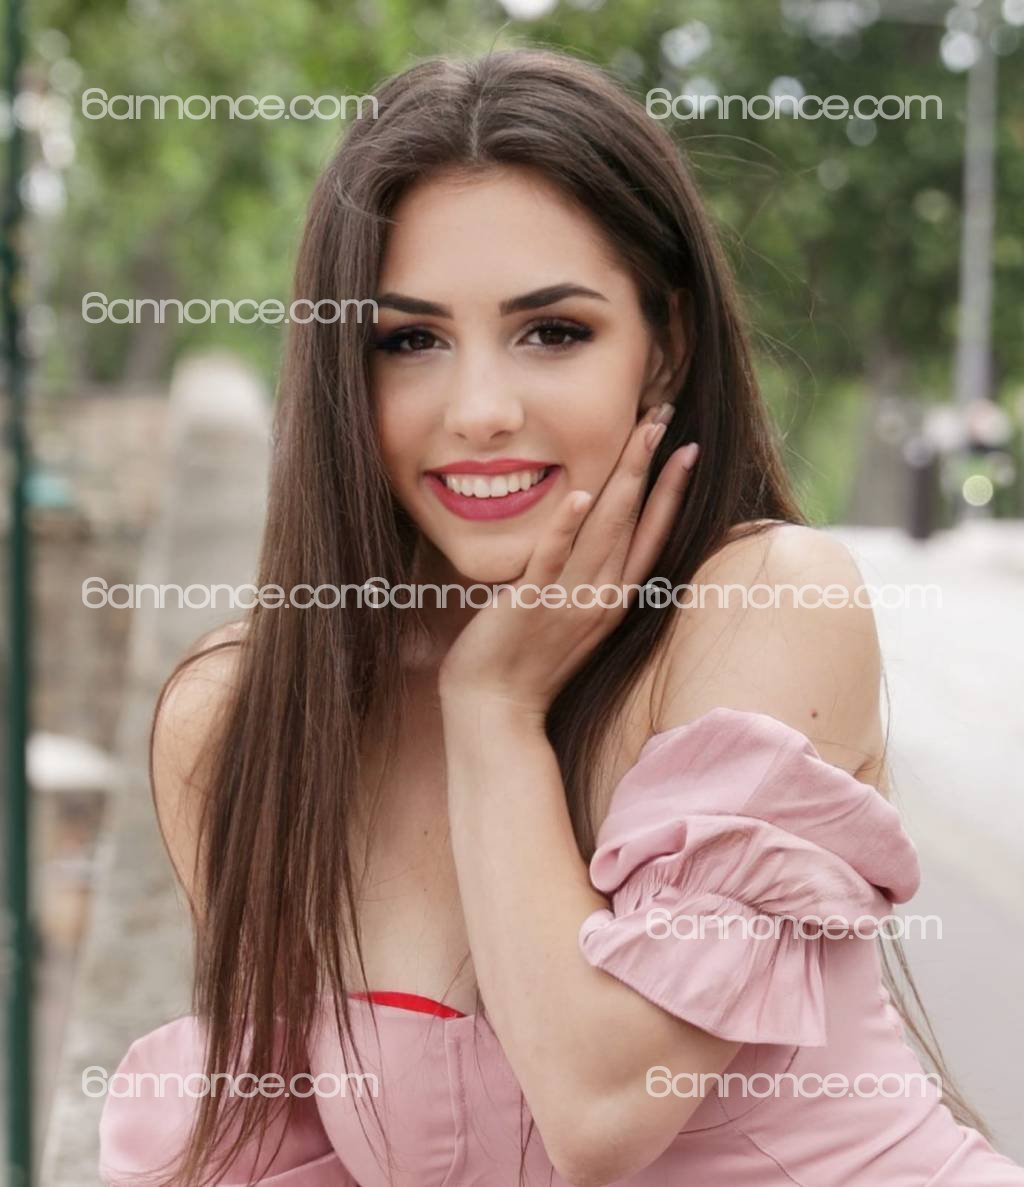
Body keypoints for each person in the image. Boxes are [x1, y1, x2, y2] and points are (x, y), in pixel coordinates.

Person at [97, 48, 1024, 1187]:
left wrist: (492, 707)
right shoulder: (247, 723)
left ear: (665, 344)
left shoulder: (764, 603)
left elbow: (601, 1107)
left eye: (552, 331)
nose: (482, 409)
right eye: (410, 340)